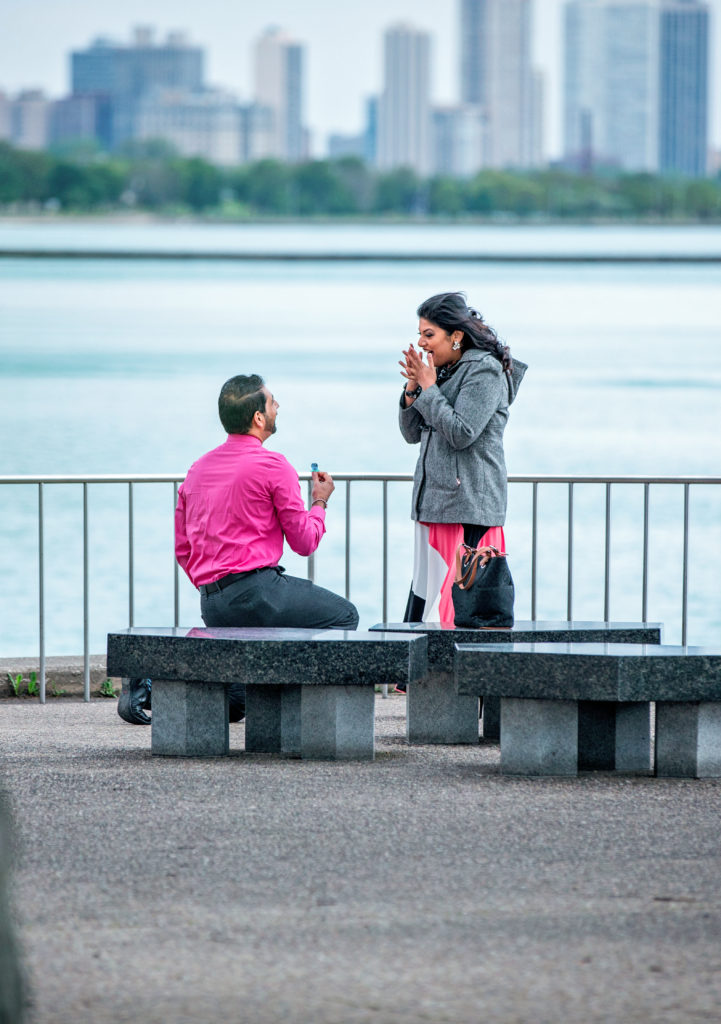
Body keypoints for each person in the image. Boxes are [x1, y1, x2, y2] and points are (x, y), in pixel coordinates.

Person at [398, 291, 527, 627]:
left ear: (455, 336)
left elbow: (462, 432)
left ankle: (453, 678)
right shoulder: (444, 372)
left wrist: (429, 389)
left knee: (460, 609)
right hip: (435, 506)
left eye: (429, 335)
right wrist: (414, 389)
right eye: (420, 335)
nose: (423, 344)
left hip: (468, 507)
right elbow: (412, 434)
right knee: (428, 602)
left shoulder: (483, 371)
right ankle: (419, 679)